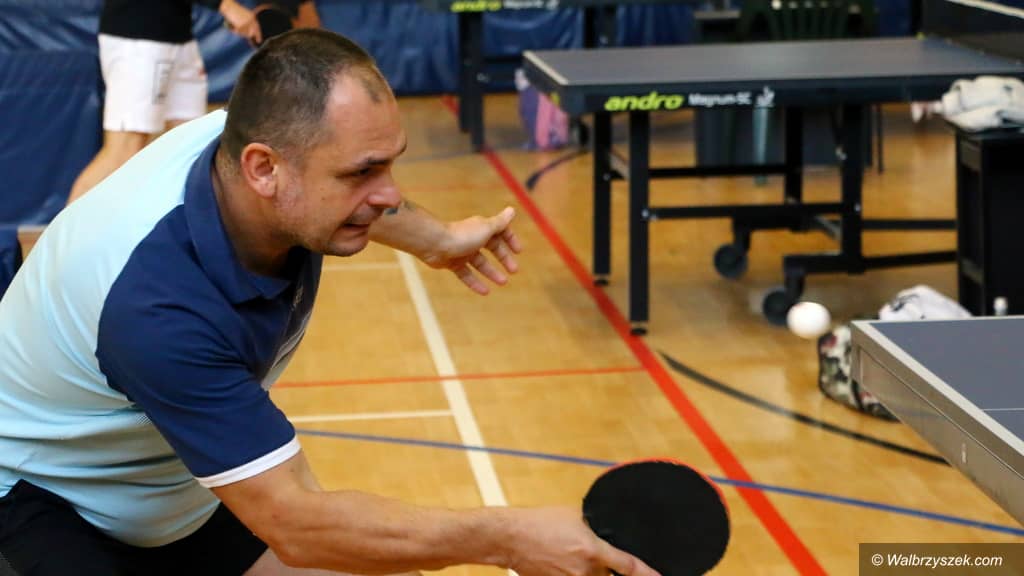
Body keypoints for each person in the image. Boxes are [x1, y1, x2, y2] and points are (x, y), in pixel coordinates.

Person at [0, 29, 660, 576]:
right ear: (263, 169)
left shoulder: (252, 144)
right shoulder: (160, 308)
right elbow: (296, 524)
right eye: (363, 172)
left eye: (389, 163)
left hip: (164, 485)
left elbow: (343, 189)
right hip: (44, 500)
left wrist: (434, 238)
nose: (387, 193)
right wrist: (507, 537)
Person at [66, 0, 322, 205]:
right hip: (138, 36)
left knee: (193, 144)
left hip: (178, 36)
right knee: (124, 149)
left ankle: (181, 237)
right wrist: (226, 5)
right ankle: (60, 242)